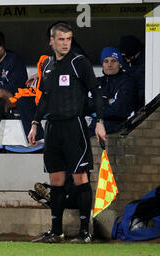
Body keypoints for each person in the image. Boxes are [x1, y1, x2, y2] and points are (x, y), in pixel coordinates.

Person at [30, 46, 138, 210]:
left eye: (114, 61)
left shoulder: (127, 82)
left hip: (115, 129)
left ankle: (64, 196)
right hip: (93, 128)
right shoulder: (98, 82)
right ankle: (60, 193)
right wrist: (104, 103)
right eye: (106, 61)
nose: (109, 65)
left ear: (120, 64)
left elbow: (119, 110)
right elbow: (81, 105)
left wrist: (96, 106)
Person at [27, 22, 106, 244]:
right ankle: (56, 231)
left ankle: (84, 232)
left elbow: (96, 92)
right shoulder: (48, 66)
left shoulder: (79, 63)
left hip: (74, 127)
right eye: (61, 39)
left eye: (69, 39)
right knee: (56, 179)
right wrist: (35, 123)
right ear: (51, 41)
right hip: (53, 128)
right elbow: (45, 97)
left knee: (80, 178)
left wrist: (99, 121)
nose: (65, 43)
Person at [119, 35, 144, 109]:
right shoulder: (124, 60)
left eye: (130, 57)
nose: (127, 60)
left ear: (138, 52)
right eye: (125, 57)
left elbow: (142, 89)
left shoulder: (146, 62)